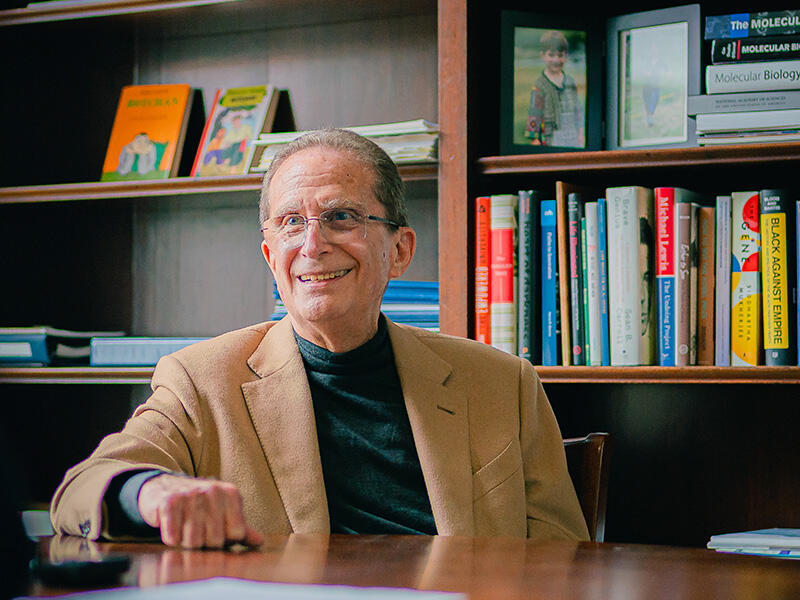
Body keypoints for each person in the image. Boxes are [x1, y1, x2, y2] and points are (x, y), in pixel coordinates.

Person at [50, 129, 589, 548]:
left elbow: (562, 557)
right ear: (270, 256)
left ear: (400, 250)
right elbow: (81, 488)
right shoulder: (202, 379)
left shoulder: (502, 383)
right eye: (290, 223)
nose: (313, 244)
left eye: (340, 217)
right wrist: (150, 490)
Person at [525, 30, 584, 148]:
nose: (556, 60)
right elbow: (534, 113)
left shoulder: (570, 81)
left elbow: (578, 109)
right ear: (543, 55)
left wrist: (581, 132)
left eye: (560, 55)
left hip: (572, 134)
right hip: (551, 137)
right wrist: (535, 138)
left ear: (566, 55)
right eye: (551, 55)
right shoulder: (540, 85)